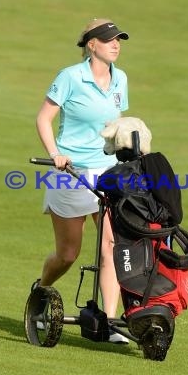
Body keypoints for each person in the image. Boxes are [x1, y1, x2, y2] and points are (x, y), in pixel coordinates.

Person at [33, 18, 130, 344]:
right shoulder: (70, 76)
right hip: (69, 173)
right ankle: (42, 289)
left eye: (119, 40)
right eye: (108, 39)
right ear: (91, 44)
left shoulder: (121, 79)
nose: (115, 44)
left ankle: (111, 320)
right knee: (68, 254)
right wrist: (55, 153)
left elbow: (115, 125)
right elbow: (44, 118)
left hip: (107, 174)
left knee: (111, 246)